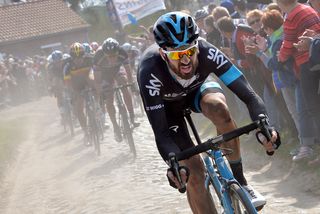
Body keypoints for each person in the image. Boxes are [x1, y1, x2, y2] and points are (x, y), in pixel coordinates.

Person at [138, 12, 281, 213]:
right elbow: (161, 133)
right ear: (163, 54)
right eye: (178, 55)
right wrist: (175, 165)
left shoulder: (207, 51)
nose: (186, 60)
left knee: (219, 108)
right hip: (168, 107)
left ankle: (242, 182)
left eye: (191, 50)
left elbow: (248, 94)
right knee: (195, 172)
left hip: (198, 90)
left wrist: (264, 124)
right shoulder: (149, 71)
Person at [93, 38, 139, 142]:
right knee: (109, 100)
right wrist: (101, 93)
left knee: (124, 83)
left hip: (117, 71)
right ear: (104, 54)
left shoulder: (122, 52)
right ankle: (115, 126)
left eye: (114, 55)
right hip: (104, 75)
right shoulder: (98, 56)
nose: (112, 58)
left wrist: (131, 85)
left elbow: (128, 72)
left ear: (118, 51)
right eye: (110, 56)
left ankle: (131, 116)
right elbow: (97, 80)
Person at [64, 42, 94, 145]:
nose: (78, 59)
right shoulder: (68, 66)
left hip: (88, 82)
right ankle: (86, 131)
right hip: (77, 87)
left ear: (84, 54)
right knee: (79, 109)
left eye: (80, 55)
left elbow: (96, 74)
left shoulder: (89, 60)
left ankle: (99, 110)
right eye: (75, 57)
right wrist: (73, 94)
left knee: (93, 82)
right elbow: (68, 84)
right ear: (71, 57)